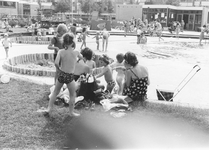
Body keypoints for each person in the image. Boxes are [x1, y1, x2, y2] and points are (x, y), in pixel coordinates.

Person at [41, 33, 82, 116]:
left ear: (64, 42)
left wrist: (59, 70)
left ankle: (49, 108)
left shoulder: (61, 51)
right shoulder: (76, 52)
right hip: (70, 76)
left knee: (55, 92)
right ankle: (71, 112)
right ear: (73, 42)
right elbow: (81, 57)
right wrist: (76, 61)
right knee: (72, 94)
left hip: (62, 74)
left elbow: (56, 63)